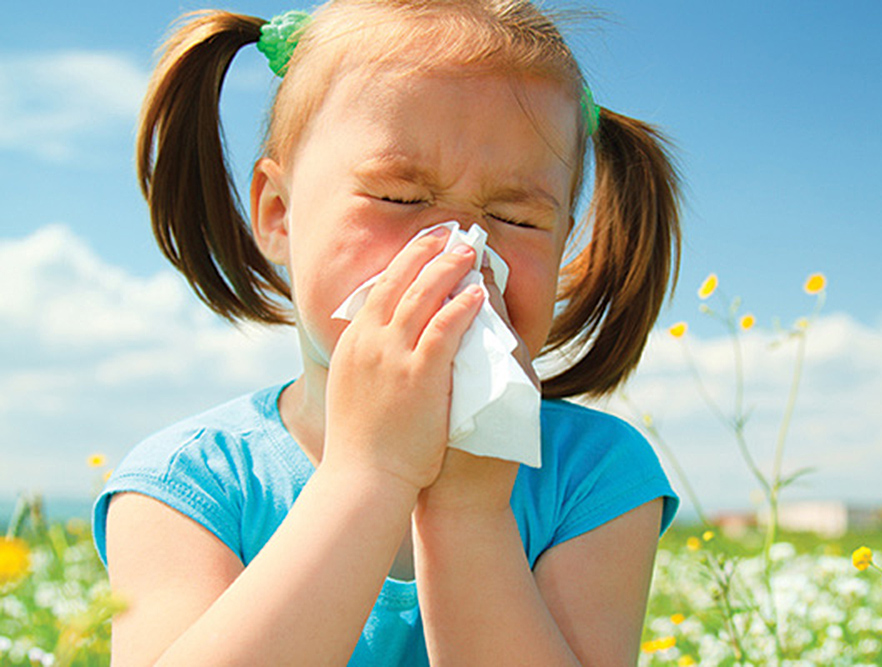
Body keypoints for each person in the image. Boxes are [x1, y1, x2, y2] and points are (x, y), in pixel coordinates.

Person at [93, 1, 683, 664]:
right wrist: (368, 473)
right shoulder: (188, 482)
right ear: (280, 214)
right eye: (400, 199)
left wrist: (469, 512)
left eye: (515, 216)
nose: (458, 249)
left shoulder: (593, 473)